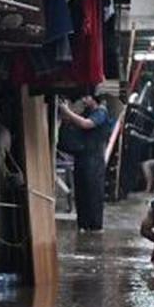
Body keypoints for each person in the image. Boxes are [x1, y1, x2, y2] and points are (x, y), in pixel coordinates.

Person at [58, 92, 112, 232]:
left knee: (92, 193)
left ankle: (94, 226)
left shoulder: (100, 112)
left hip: (94, 159)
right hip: (82, 156)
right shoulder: (88, 111)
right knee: (81, 192)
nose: (84, 99)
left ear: (94, 99)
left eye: (86, 97)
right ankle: (83, 224)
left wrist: (68, 112)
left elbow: (86, 124)